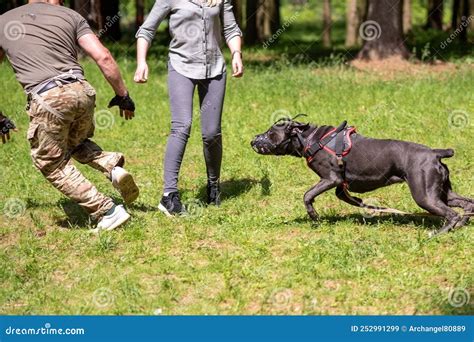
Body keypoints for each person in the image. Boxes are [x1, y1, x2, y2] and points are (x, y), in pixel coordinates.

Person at [0, 0, 139, 232]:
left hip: (48, 98)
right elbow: (103, 56)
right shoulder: (70, 15)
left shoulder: (4, 21)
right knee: (75, 143)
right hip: (82, 91)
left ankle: (106, 210)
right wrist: (123, 96)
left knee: (49, 162)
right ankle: (113, 168)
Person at [134, 0, 244, 216]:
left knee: (212, 133)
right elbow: (146, 30)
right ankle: (169, 195)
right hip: (181, 67)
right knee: (181, 126)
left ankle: (213, 185)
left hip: (214, 69)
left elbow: (231, 29)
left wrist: (236, 54)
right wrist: (141, 62)